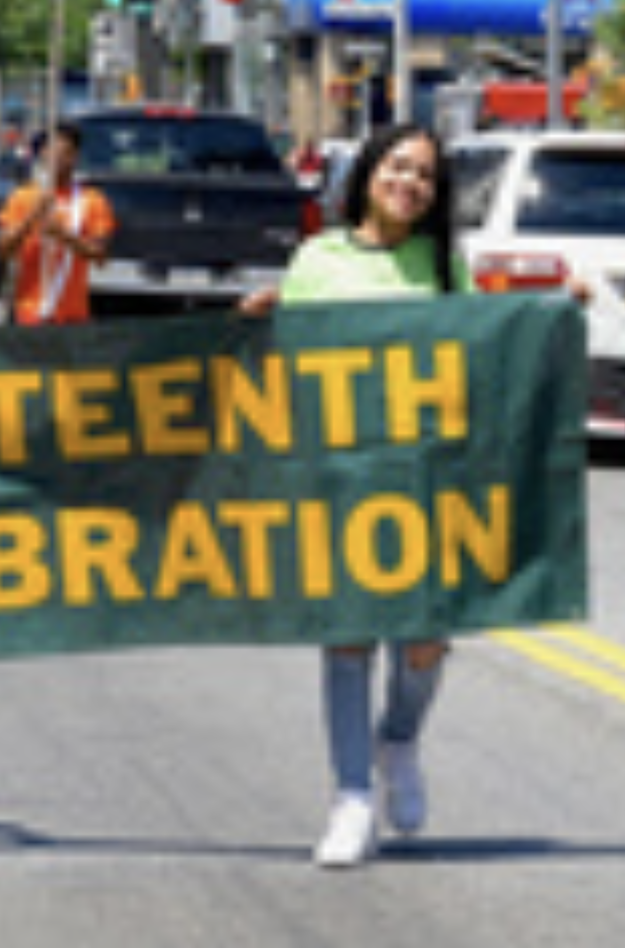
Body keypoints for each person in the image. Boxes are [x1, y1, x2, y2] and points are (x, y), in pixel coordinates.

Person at [239, 123, 464, 868]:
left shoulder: (442, 262)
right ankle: (351, 797)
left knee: (424, 641)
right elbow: (286, 366)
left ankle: (398, 738)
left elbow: (486, 345)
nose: (410, 183)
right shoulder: (318, 258)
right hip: (339, 475)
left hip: (422, 476)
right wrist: (253, 328)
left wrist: (561, 307)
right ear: (369, 172)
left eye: (426, 175)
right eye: (399, 166)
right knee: (348, 636)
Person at [0, 123, 116, 326]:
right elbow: (2, 250)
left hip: (73, 315)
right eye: (52, 152)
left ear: (75, 156)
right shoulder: (22, 197)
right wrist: (32, 216)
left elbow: (100, 255)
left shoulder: (92, 200)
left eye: (65, 153)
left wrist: (64, 236)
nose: (58, 160)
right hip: (29, 313)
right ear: (42, 153)